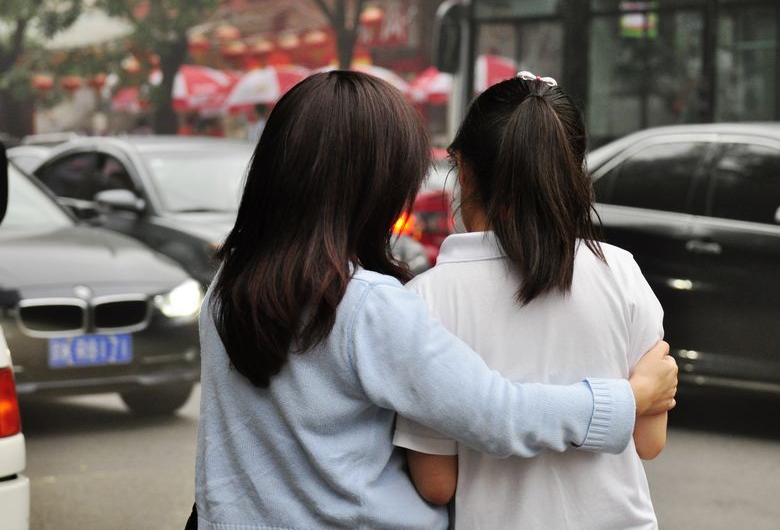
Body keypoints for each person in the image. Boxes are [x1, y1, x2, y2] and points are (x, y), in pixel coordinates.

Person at [194, 71, 677, 529]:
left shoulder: (228, 288)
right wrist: (630, 398)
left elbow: (437, 477)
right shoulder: (368, 305)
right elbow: (495, 413)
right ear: (372, 187)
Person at [393, 72, 667, 529]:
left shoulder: (426, 300)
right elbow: (649, 441)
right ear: (573, 170)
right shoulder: (621, 272)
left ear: (463, 169)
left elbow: (436, 483)